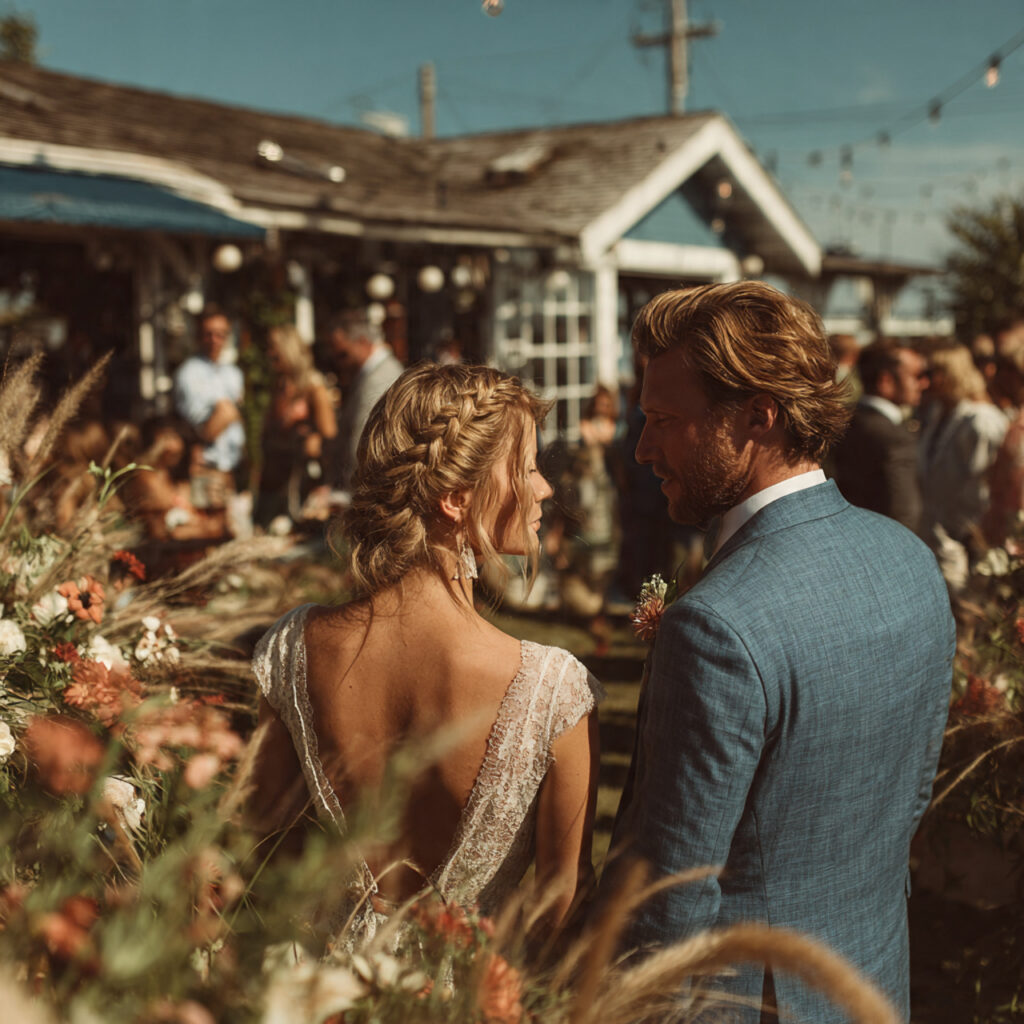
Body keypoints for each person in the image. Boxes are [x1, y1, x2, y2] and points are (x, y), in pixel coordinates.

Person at [605, 282, 954, 1024]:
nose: (642, 449)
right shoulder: (909, 558)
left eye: (665, 421)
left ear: (758, 417)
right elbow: (909, 797)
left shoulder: (716, 627)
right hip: (874, 975)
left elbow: (672, 897)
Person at [250, 363, 602, 946]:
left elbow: (267, 855)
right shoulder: (551, 690)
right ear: (457, 501)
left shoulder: (294, 648)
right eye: (529, 469)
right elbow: (563, 899)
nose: (544, 489)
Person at [918, 343, 1008, 590]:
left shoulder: (982, 421)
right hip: (940, 535)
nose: (925, 382)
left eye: (931, 374)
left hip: (968, 539)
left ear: (951, 374)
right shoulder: (937, 413)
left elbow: (984, 486)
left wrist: (967, 535)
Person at [832, 338, 927, 531]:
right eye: (916, 376)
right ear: (886, 382)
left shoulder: (844, 423)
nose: (923, 383)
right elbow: (904, 513)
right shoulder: (894, 438)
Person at [255, 324, 337, 528]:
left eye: (274, 347)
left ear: (288, 348)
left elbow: (330, 436)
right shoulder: (279, 387)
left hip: (303, 480)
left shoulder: (313, 387)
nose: (270, 353)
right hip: (276, 478)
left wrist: (313, 440)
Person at [173, 305, 245, 511]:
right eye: (209, 334)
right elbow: (204, 430)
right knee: (210, 530)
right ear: (198, 336)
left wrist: (226, 412)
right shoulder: (189, 373)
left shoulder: (233, 373)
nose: (215, 340)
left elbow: (231, 418)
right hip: (206, 469)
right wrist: (227, 412)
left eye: (221, 334)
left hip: (230, 469)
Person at [324, 310, 403, 496]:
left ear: (362, 342)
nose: (340, 363)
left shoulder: (381, 378)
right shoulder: (370, 375)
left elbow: (363, 443)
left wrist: (348, 495)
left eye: (343, 354)